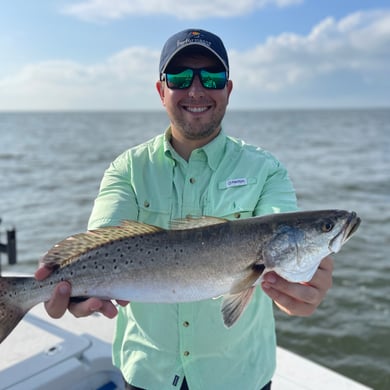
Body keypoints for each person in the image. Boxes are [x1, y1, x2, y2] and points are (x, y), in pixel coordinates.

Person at [35, 29, 333, 390]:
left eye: (212, 77)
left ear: (228, 89)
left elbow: (283, 242)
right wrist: (76, 294)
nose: (196, 89)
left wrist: (302, 286)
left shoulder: (266, 169)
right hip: (148, 373)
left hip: (238, 375)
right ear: (162, 91)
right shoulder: (126, 169)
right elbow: (101, 239)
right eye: (179, 78)